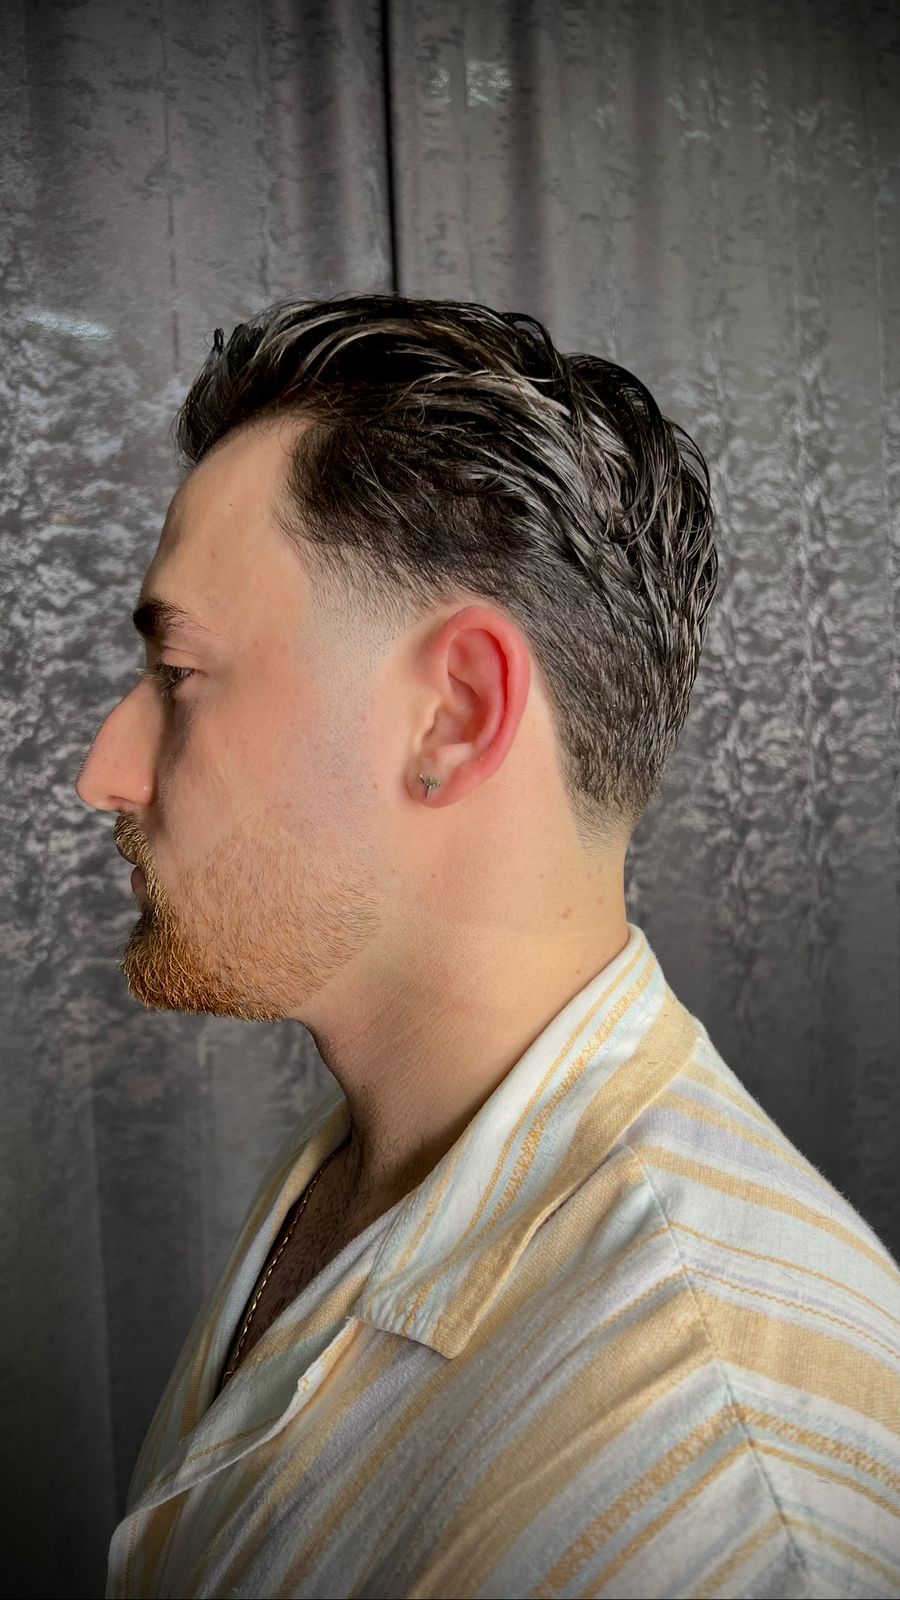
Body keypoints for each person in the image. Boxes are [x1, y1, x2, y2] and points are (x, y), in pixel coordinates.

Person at [76, 294, 900, 1599]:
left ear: (454, 715)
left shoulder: (725, 1495)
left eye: (178, 676)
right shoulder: (367, 1167)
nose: (104, 772)